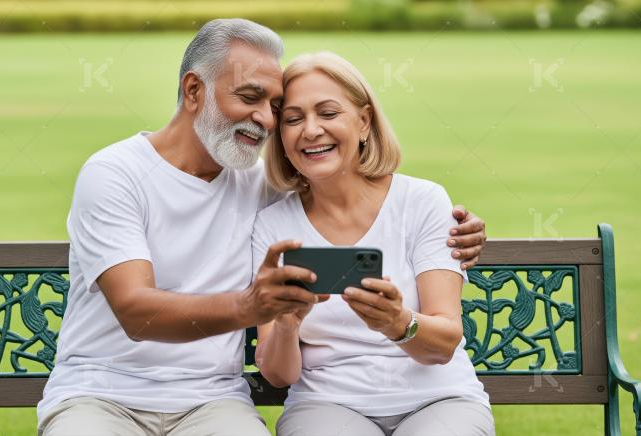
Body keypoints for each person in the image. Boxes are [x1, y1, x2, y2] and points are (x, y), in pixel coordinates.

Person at [37, 19, 488, 436]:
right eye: (250, 98)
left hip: (211, 401)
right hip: (101, 394)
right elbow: (138, 313)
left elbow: (345, 192)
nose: (268, 120)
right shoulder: (115, 174)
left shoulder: (262, 187)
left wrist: (461, 230)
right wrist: (250, 306)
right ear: (194, 91)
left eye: (274, 106)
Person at [252, 51, 495, 436]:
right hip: (326, 405)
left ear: (364, 122)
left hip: (439, 400)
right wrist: (286, 324)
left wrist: (397, 322)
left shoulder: (422, 202)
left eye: (328, 113)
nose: (310, 130)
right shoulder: (272, 224)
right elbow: (279, 375)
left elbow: (444, 344)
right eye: (293, 119)